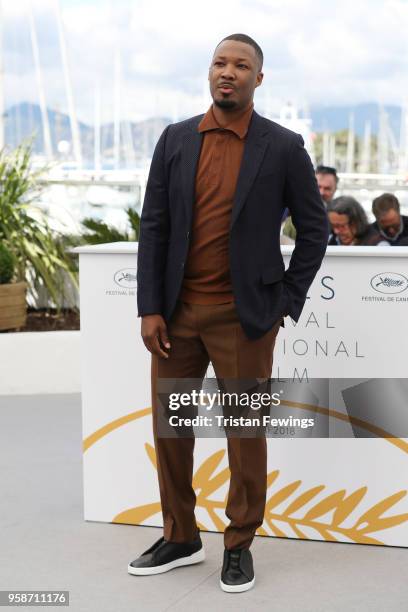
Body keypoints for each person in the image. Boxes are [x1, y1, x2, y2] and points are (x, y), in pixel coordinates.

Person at [132, 33, 328, 593]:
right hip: (176, 316)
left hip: (245, 319)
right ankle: (179, 535)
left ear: (258, 80)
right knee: (172, 430)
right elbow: (155, 228)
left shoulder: (284, 147)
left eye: (241, 65)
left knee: (244, 436)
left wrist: (285, 300)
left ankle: (239, 543)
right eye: (220, 62)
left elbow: (314, 231)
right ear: (209, 72)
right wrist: (150, 307)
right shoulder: (174, 140)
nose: (228, 71)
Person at [282, 165, 338, 240]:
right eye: (318, 187)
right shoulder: (291, 211)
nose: (321, 192)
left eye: (327, 188)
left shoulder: (342, 217)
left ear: (335, 189)